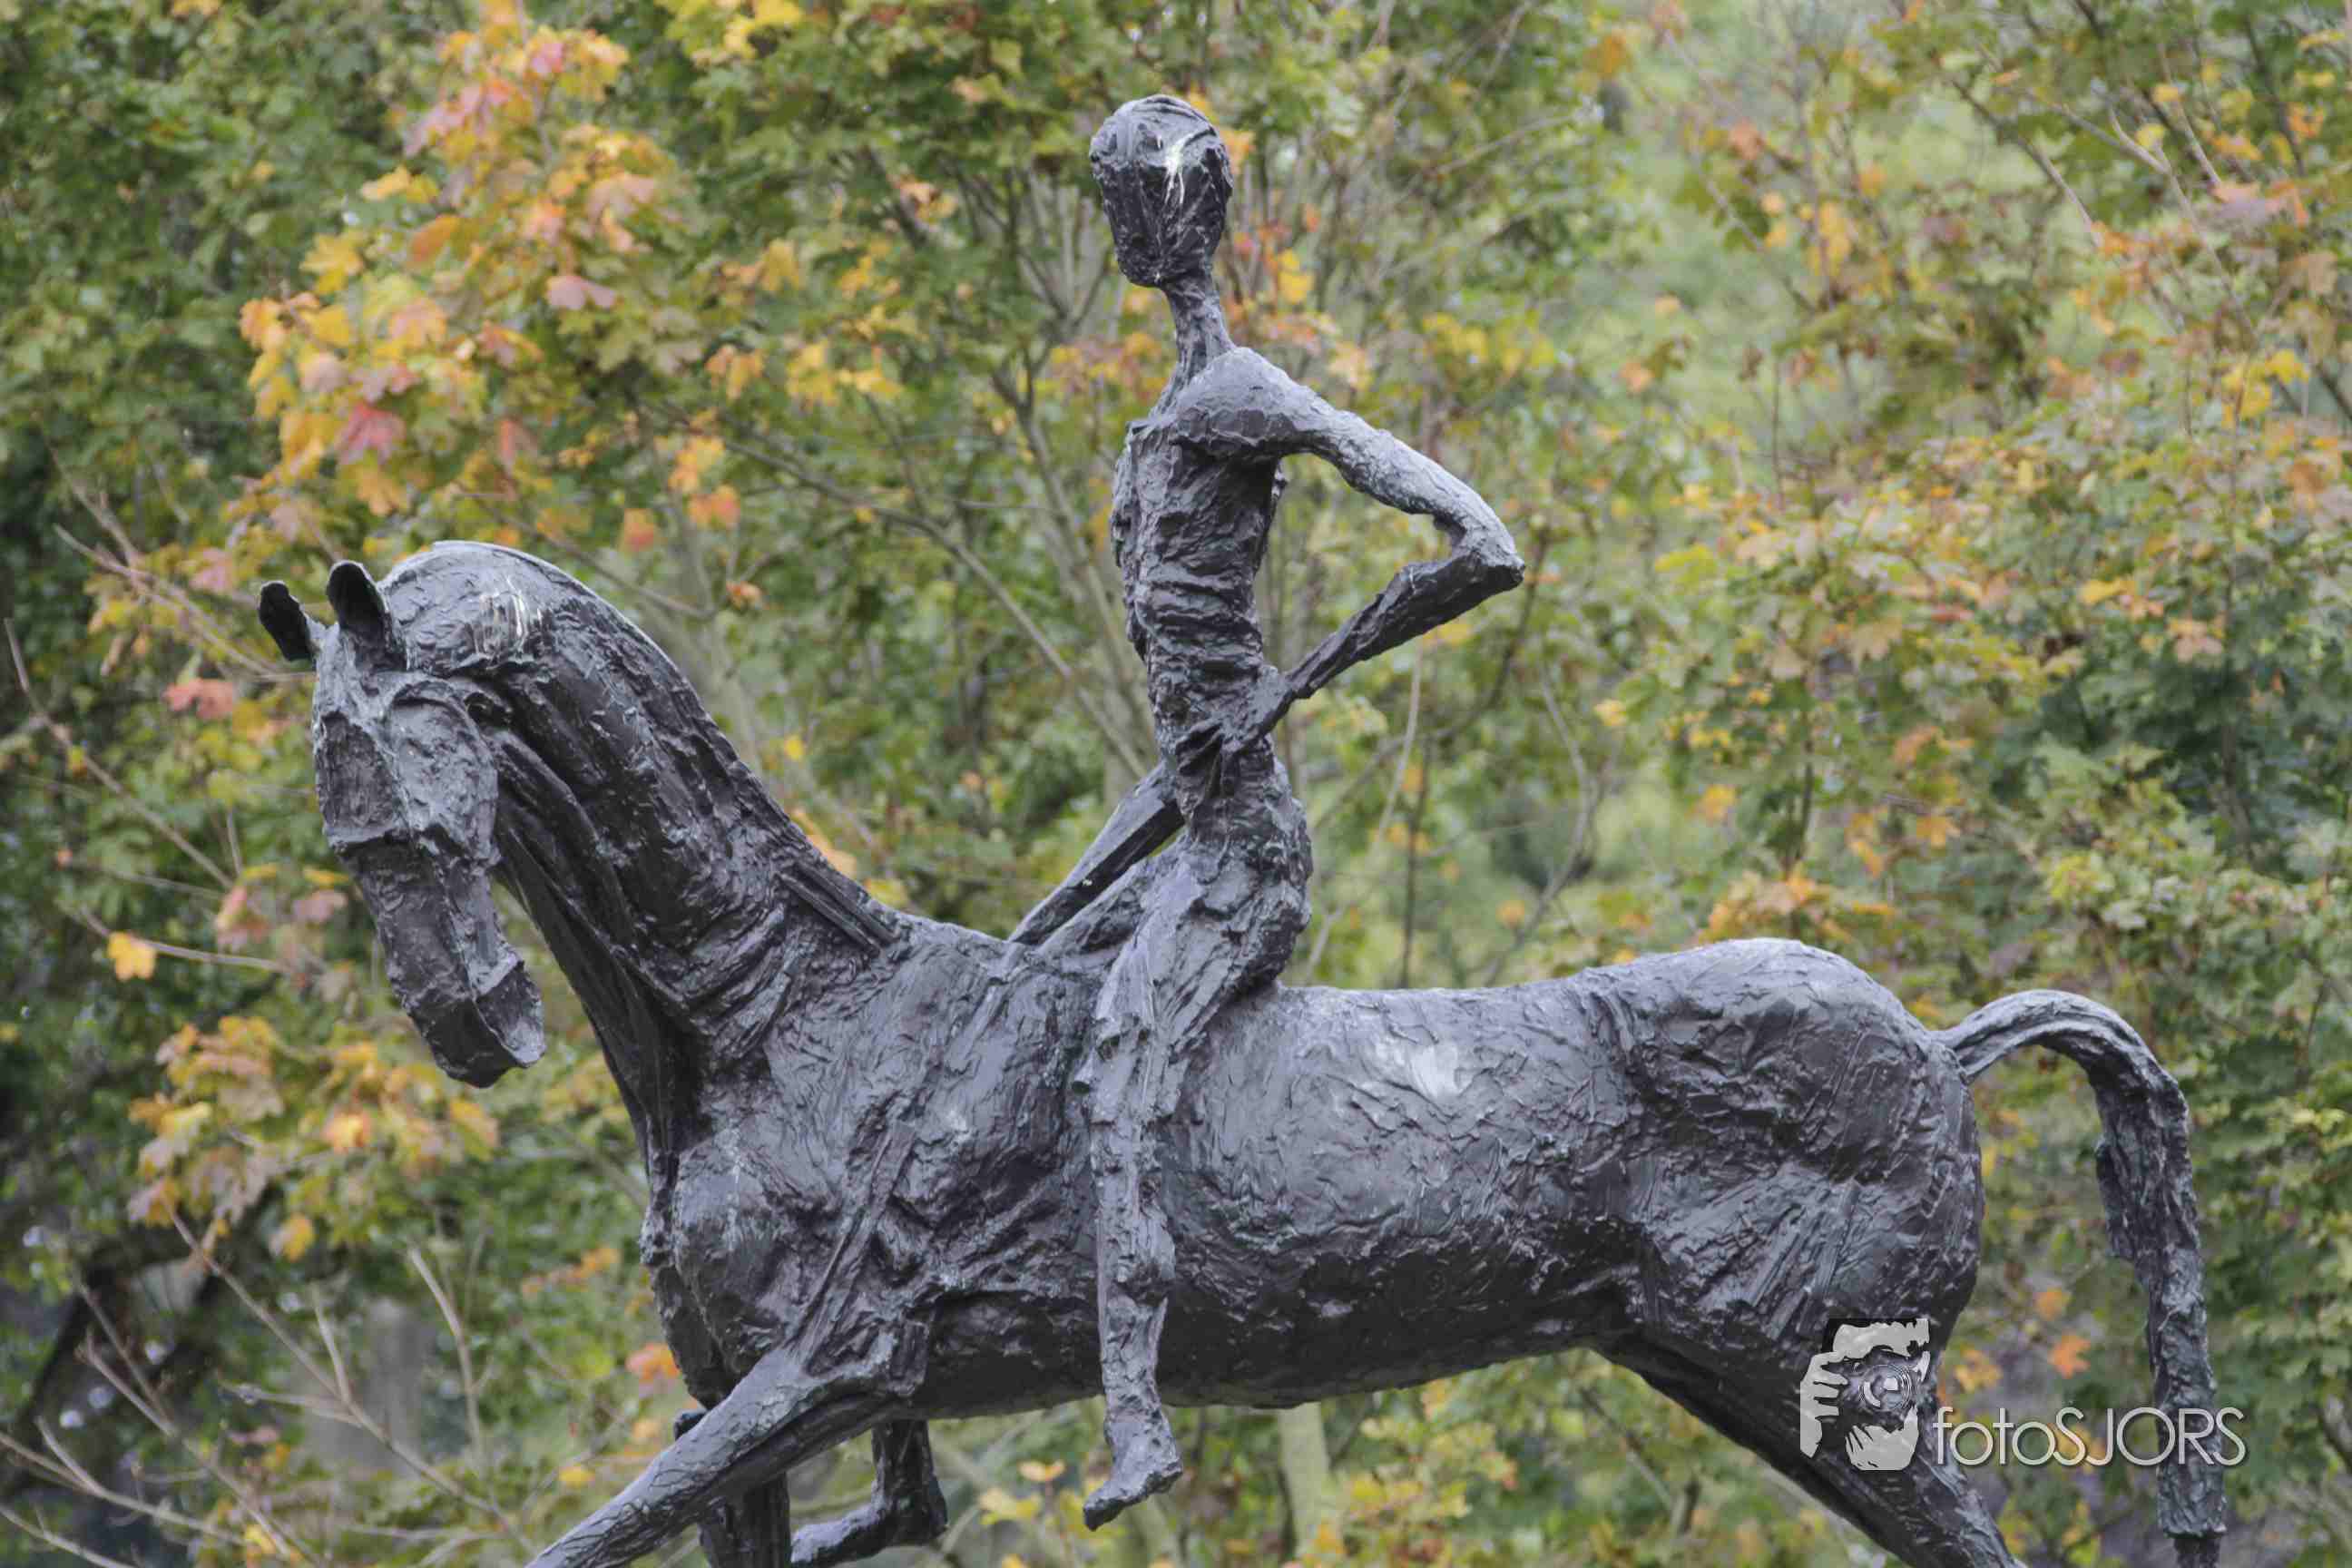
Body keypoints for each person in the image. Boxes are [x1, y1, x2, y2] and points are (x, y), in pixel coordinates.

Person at [1061, 95, 1526, 1528]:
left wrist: (1307, 676)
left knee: (1116, 1070)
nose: (1133, 231)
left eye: (1145, 203)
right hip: (1192, 813)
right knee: (1012, 990)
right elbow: (1186, 738)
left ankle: (1137, 1419)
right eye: (1120, 205)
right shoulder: (1159, 420)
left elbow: (1483, 544)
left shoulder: (1238, 393)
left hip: (1248, 853)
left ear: (1190, 218)